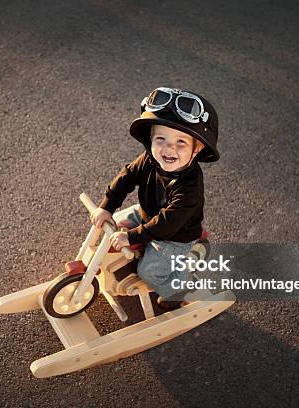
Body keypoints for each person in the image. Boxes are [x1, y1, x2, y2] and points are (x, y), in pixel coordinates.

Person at [90, 87, 220, 307]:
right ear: (150, 139)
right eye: (161, 139)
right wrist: (106, 206)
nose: (169, 148)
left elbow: (166, 225)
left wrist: (131, 237)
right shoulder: (150, 159)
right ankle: (136, 247)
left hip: (174, 236)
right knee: (117, 222)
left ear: (197, 150)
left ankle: (177, 289)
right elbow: (127, 176)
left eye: (181, 142)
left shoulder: (189, 188)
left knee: (148, 271)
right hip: (147, 214)